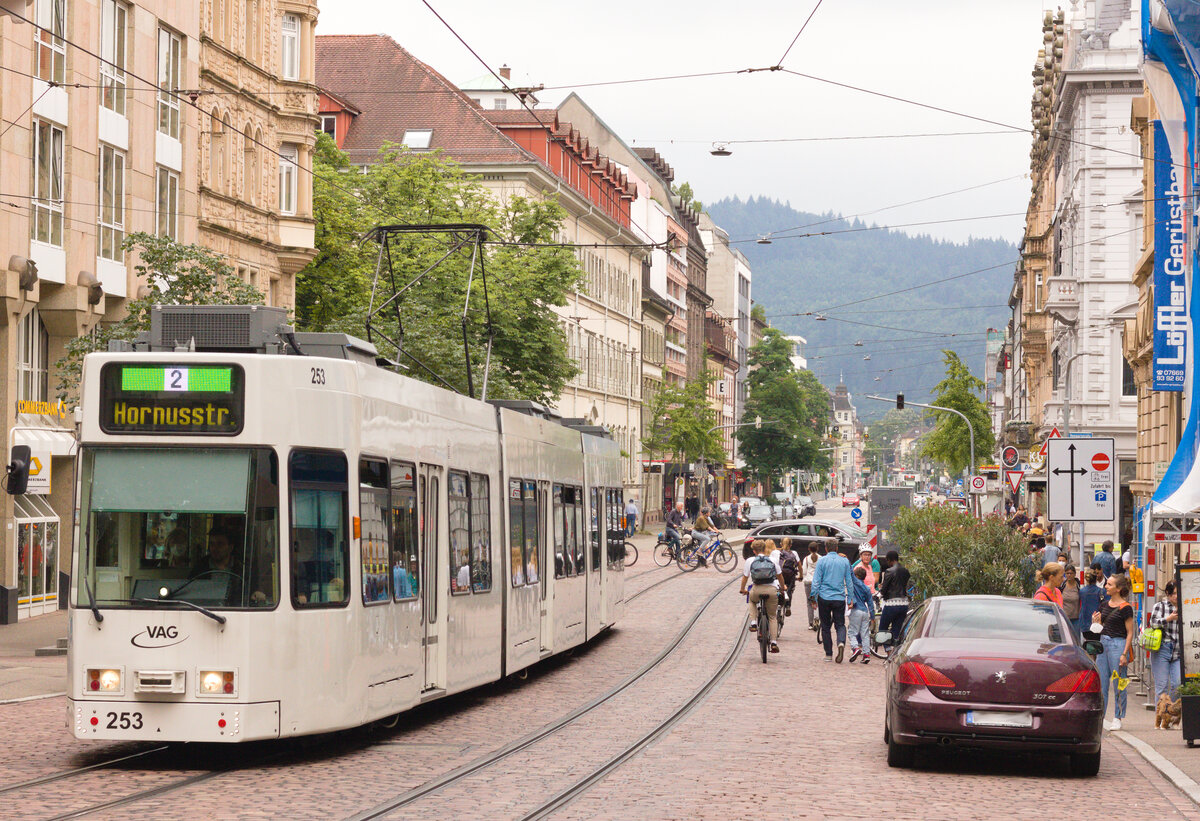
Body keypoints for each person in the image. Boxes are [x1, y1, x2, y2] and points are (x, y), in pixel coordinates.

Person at [1090, 573, 1135, 731]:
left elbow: (1130, 632)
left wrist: (1124, 653)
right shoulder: (1104, 604)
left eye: (1109, 584)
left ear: (1118, 588)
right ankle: (1101, 717)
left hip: (1118, 644)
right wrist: (1095, 622)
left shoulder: (1126, 608)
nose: (1106, 587)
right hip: (1104, 642)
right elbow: (1101, 628)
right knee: (1102, 683)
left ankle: (1118, 716)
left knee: (1119, 683)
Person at [811, 539, 855, 663]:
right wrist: (850, 598)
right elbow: (849, 581)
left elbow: (816, 582)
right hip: (839, 598)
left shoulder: (821, 561)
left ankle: (828, 654)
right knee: (840, 624)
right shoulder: (844, 561)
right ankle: (841, 643)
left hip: (824, 597)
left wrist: (813, 598)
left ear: (826, 549)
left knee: (825, 626)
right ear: (837, 548)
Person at [740, 539, 786, 653]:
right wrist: (782, 587)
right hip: (771, 589)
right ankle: (774, 642)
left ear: (754, 550)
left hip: (757, 589)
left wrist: (742, 589)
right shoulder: (772, 560)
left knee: (751, 600)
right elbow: (780, 576)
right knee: (772, 616)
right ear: (765, 549)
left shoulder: (750, 560)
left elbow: (745, 577)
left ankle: (754, 622)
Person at [1150, 581, 1182, 703]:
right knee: (1161, 687)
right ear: (1167, 594)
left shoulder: (1186, 605)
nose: (1176, 596)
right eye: (1173, 593)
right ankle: (1160, 719)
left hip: (1179, 650)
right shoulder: (1161, 606)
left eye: (1178, 593)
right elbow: (1153, 623)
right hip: (1162, 648)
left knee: (1178, 685)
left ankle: (1170, 713)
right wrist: (1169, 618)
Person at [878, 550, 910, 651]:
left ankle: (888, 650)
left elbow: (884, 589)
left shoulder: (889, 571)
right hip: (904, 604)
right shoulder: (906, 571)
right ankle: (895, 652)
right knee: (896, 631)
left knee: (883, 630)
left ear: (889, 560)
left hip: (892, 604)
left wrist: (879, 594)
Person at [847, 565, 876, 664]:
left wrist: (847, 560)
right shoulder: (867, 589)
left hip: (856, 610)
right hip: (865, 612)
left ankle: (855, 648)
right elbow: (871, 604)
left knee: (852, 632)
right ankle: (866, 654)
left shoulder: (854, 582)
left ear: (856, 576)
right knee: (865, 634)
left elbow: (850, 571)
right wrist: (872, 617)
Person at [770, 537, 801, 617]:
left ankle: (778, 604)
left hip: (780, 574)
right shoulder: (794, 553)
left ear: (781, 544)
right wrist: (801, 575)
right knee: (789, 590)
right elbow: (799, 566)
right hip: (790, 575)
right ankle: (788, 606)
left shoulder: (776, 552)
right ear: (790, 545)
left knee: (779, 588)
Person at [801, 542, 821, 630]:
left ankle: (810, 623)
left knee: (809, 603)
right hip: (818, 582)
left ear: (809, 549)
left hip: (808, 582)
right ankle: (817, 618)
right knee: (818, 601)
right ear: (817, 549)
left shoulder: (806, 559)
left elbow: (804, 572)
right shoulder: (821, 558)